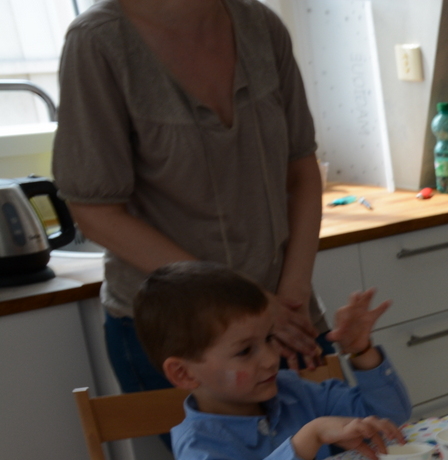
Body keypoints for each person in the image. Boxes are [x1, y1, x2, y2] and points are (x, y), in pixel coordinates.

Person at [53, 0, 331, 392]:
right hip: (180, 332)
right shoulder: (98, 42)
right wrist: (248, 301)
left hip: (284, 319)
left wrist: (293, 293)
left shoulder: (261, 26)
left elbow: (301, 169)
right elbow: (96, 214)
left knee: (341, 431)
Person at [137, 262, 411, 460]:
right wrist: (309, 437)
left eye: (269, 338)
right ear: (184, 373)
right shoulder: (197, 443)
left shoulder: (292, 390)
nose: (271, 359)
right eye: (245, 351)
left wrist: (361, 351)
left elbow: (389, 418)